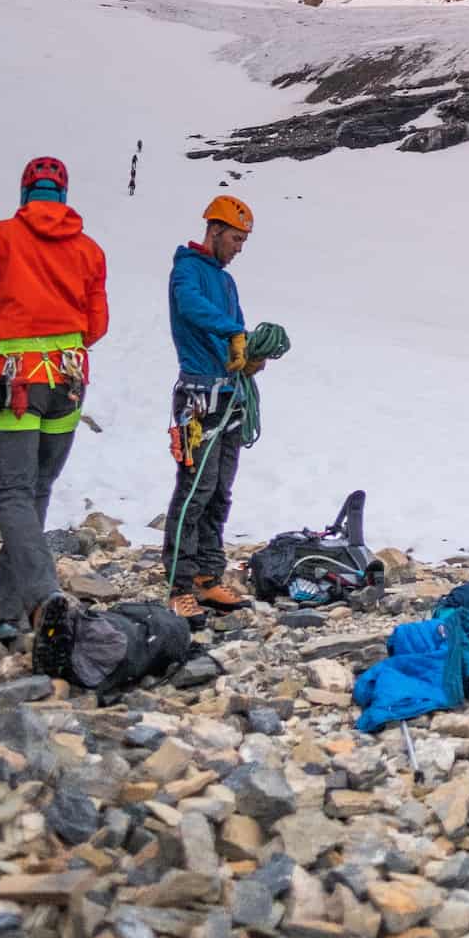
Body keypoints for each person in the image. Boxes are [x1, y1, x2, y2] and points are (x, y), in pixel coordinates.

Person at [0, 156, 108, 643]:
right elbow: (96, 325)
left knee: (13, 495)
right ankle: (5, 610)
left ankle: (44, 601)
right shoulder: (89, 250)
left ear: (26, 192)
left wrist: (0, 336)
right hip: (68, 382)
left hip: (15, 381)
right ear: (63, 196)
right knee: (35, 491)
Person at [162, 194, 266, 624]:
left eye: (244, 240)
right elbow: (191, 307)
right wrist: (233, 332)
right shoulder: (186, 270)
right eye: (236, 238)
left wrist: (248, 357)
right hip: (199, 394)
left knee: (220, 490)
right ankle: (179, 584)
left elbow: (233, 330)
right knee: (194, 490)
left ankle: (207, 574)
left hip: (228, 395)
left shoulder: (226, 283)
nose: (239, 247)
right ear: (215, 230)